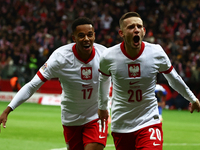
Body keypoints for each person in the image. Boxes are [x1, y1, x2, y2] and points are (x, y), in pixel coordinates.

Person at [0, 17, 108, 150]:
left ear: (94, 36)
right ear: (73, 38)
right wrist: (8, 109)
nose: (86, 39)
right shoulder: (60, 58)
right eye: (81, 35)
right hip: (71, 119)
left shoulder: (104, 55)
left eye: (90, 35)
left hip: (95, 117)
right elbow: (32, 85)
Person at [98, 12, 200, 150]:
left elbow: (174, 79)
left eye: (139, 26)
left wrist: (192, 98)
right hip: (121, 124)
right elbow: (103, 80)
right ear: (121, 33)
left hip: (149, 121)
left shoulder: (156, 52)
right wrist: (103, 107)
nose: (136, 29)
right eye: (131, 27)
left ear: (144, 31)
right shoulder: (108, 56)